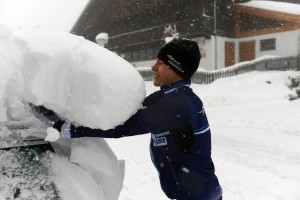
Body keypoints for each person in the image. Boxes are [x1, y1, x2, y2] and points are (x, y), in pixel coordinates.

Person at [31, 38, 222, 200]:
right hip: (195, 193)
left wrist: (64, 127)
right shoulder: (168, 97)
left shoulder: (179, 104)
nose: (154, 67)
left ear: (176, 67)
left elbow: (124, 126)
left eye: (161, 63)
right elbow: (124, 111)